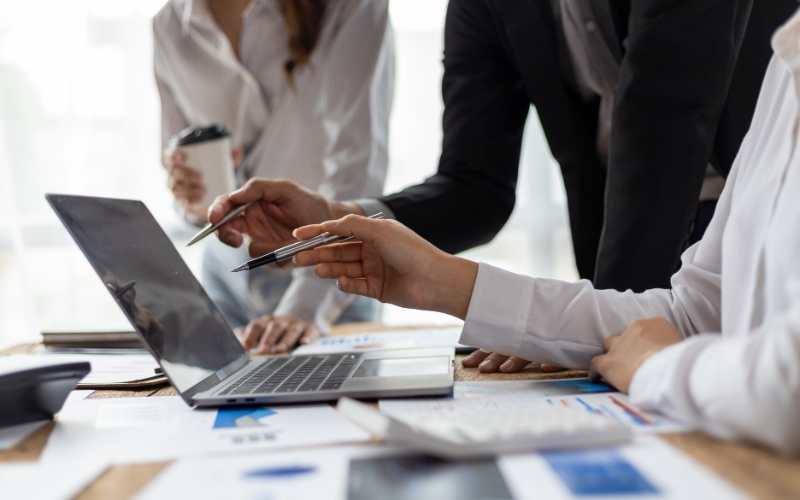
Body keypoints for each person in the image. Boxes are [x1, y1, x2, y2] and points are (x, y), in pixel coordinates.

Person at [269, 12, 800, 454]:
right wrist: (441, 282)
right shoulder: (786, 64)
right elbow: (691, 312)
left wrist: (652, 365)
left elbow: (665, 119)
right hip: (688, 232)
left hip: (700, 195)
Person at [153, 0, 393, 353]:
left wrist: (304, 307)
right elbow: (186, 183)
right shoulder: (169, 25)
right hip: (226, 273)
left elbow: (358, 169)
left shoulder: (349, 7)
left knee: (333, 388)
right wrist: (191, 199)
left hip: (328, 277)